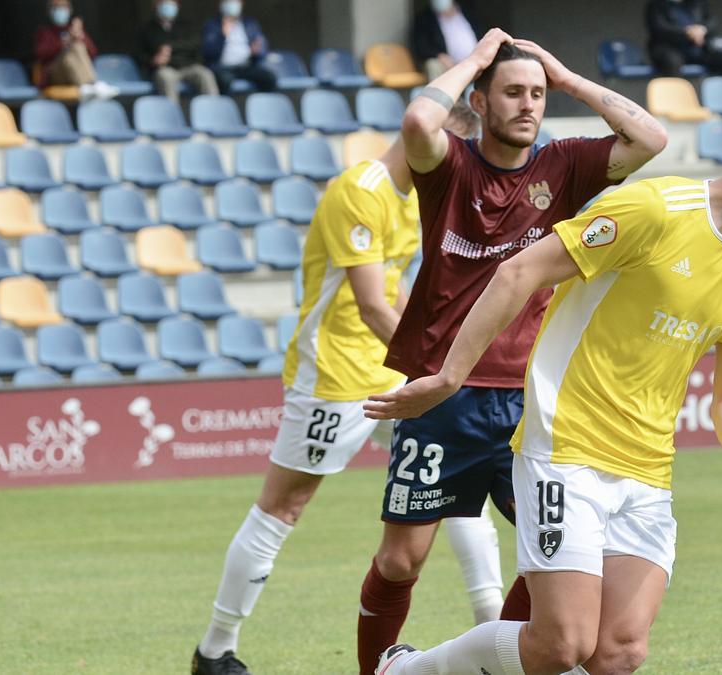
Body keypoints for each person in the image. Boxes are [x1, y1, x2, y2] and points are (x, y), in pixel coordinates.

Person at [367, 96, 722, 675]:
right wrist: (448, 376)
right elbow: (520, 271)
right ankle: (406, 672)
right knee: (560, 645)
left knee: (619, 652)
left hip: (647, 471)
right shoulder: (654, 208)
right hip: (565, 450)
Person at [353, 28, 670, 675]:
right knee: (400, 560)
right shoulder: (448, 166)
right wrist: (478, 53)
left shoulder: (563, 166)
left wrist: (566, 74)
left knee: (553, 561)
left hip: (534, 404)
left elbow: (651, 139)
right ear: (480, 99)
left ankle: (493, 664)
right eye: (513, 92)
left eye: (536, 93)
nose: (529, 104)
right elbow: (418, 117)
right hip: (444, 390)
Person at [191, 102, 497, 675]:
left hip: (388, 370)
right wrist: (443, 366)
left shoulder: (409, 202)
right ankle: (214, 650)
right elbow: (371, 304)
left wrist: (442, 355)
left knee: (457, 480)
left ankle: (495, 629)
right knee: (285, 504)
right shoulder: (360, 191)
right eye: (450, 154)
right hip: (332, 376)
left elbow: (398, 300)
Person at [139, 0, 220, 106]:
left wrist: (170, 47)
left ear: (177, 5)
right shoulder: (147, 29)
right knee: (165, 78)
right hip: (165, 68)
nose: (167, 6)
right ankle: (173, 117)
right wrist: (154, 60)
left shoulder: (187, 25)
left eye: (171, 3)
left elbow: (195, 44)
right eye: (163, 3)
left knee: (205, 74)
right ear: (155, 5)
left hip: (189, 66)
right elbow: (140, 55)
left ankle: (214, 111)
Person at [33, 0, 119, 99]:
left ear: (70, 9)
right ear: (50, 11)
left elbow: (93, 53)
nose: (60, 10)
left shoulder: (73, 29)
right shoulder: (44, 31)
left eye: (63, 7)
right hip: (54, 75)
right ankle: (89, 85)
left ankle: (90, 85)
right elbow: (41, 53)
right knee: (68, 55)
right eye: (56, 7)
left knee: (78, 45)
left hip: (73, 76)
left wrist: (81, 37)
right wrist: (64, 43)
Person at [644, 0, 722, 77]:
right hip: (668, 49)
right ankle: (675, 97)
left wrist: (702, 29)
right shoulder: (656, 5)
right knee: (672, 62)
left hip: (697, 49)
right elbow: (659, 28)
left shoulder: (697, 3)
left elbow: (713, 22)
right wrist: (688, 33)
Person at [200, 0, 276, 94]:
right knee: (224, 80)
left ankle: (261, 106)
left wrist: (256, 52)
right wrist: (222, 36)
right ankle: (225, 107)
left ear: (241, 3)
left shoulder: (250, 24)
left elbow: (262, 48)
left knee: (269, 78)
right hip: (222, 68)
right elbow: (208, 53)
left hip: (245, 67)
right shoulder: (212, 25)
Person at [412, 0, 484, 81]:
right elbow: (422, 46)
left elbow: (482, 35)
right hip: (447, 64)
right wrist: (439, 55)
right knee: (433, 65)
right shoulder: (424, 18)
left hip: (475, 61)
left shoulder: (469, 12)